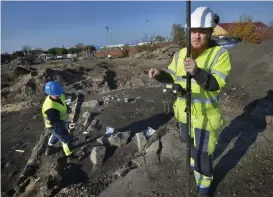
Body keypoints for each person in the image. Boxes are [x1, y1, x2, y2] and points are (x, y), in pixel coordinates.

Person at [149, 7, 231, 197]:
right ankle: (197, 173)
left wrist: (196, 71)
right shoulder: (181, 54)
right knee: (192, 150)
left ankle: (203, 189)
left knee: (202, 156)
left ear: (211, 32)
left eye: (202, 32)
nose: (197, 36)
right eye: (194, 31)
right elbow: (172, 75)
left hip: (204, 116)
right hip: (184, 114)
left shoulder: (220, 54)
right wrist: (160, 75)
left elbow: (215, 84)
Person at [42, 81, 75, 163]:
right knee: (66, 140)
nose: (59, 95)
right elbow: (55, 123)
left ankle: (49, 148)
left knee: (55, 135)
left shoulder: (59, 94)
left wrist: (67, 108)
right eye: (57, 95)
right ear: (50, 94)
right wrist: (66, 125)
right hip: (54, 125)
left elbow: (62, 102)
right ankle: (69, 156)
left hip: (59, 122)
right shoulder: (50, 107)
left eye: (60, 93)